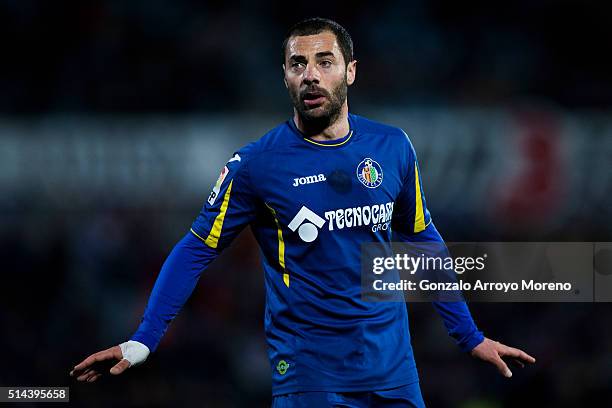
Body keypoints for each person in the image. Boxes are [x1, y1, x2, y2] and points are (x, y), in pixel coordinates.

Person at [70, 17, 535, 407]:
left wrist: (469, 335)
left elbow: (423, 241)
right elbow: (196, 249)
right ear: (286, 77)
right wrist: (145, 338)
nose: (310, 74)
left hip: (393, 372)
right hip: (310, 376)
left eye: (324, 62)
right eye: (298, 64)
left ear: (350, 72)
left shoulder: (392, 147)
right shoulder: (255, 165)